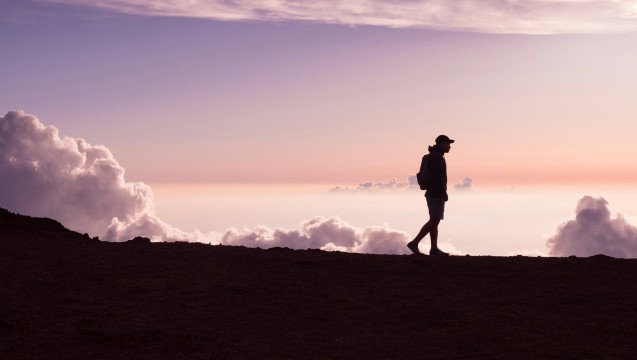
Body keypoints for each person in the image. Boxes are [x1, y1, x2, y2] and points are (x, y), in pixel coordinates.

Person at [407, 135, 454, 256]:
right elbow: (437, 177)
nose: (450, 146)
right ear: (441, 143)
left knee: (434, 220)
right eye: (448, 143)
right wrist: (443, 193)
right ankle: (414, 243)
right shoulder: (437, 158)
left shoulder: (435, 156)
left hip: (432, 193)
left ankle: (434, 249)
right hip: (436, 193)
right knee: (435, 219)